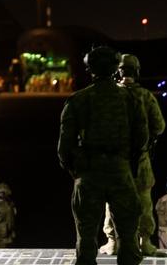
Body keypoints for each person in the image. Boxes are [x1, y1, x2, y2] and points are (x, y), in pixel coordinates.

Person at [58, 46, 148, 265]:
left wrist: (77, 171)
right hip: (120, 169)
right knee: (128, 236)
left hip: (88, 171)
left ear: (90, 69)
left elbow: (64, 147)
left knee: (86, 235)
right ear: (115, 68)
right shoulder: (130, 99)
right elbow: (142, 138)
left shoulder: (78, 100)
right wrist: (128, 163)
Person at [101, 54, 165, 256]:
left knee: (111, 201)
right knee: (144, 201)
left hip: (114, 160)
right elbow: (159, 126)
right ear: (136, 72)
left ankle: (112, 242)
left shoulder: (108, 96)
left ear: (117, 72)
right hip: (140, 160)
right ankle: (144, 242)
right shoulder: (145, 96)